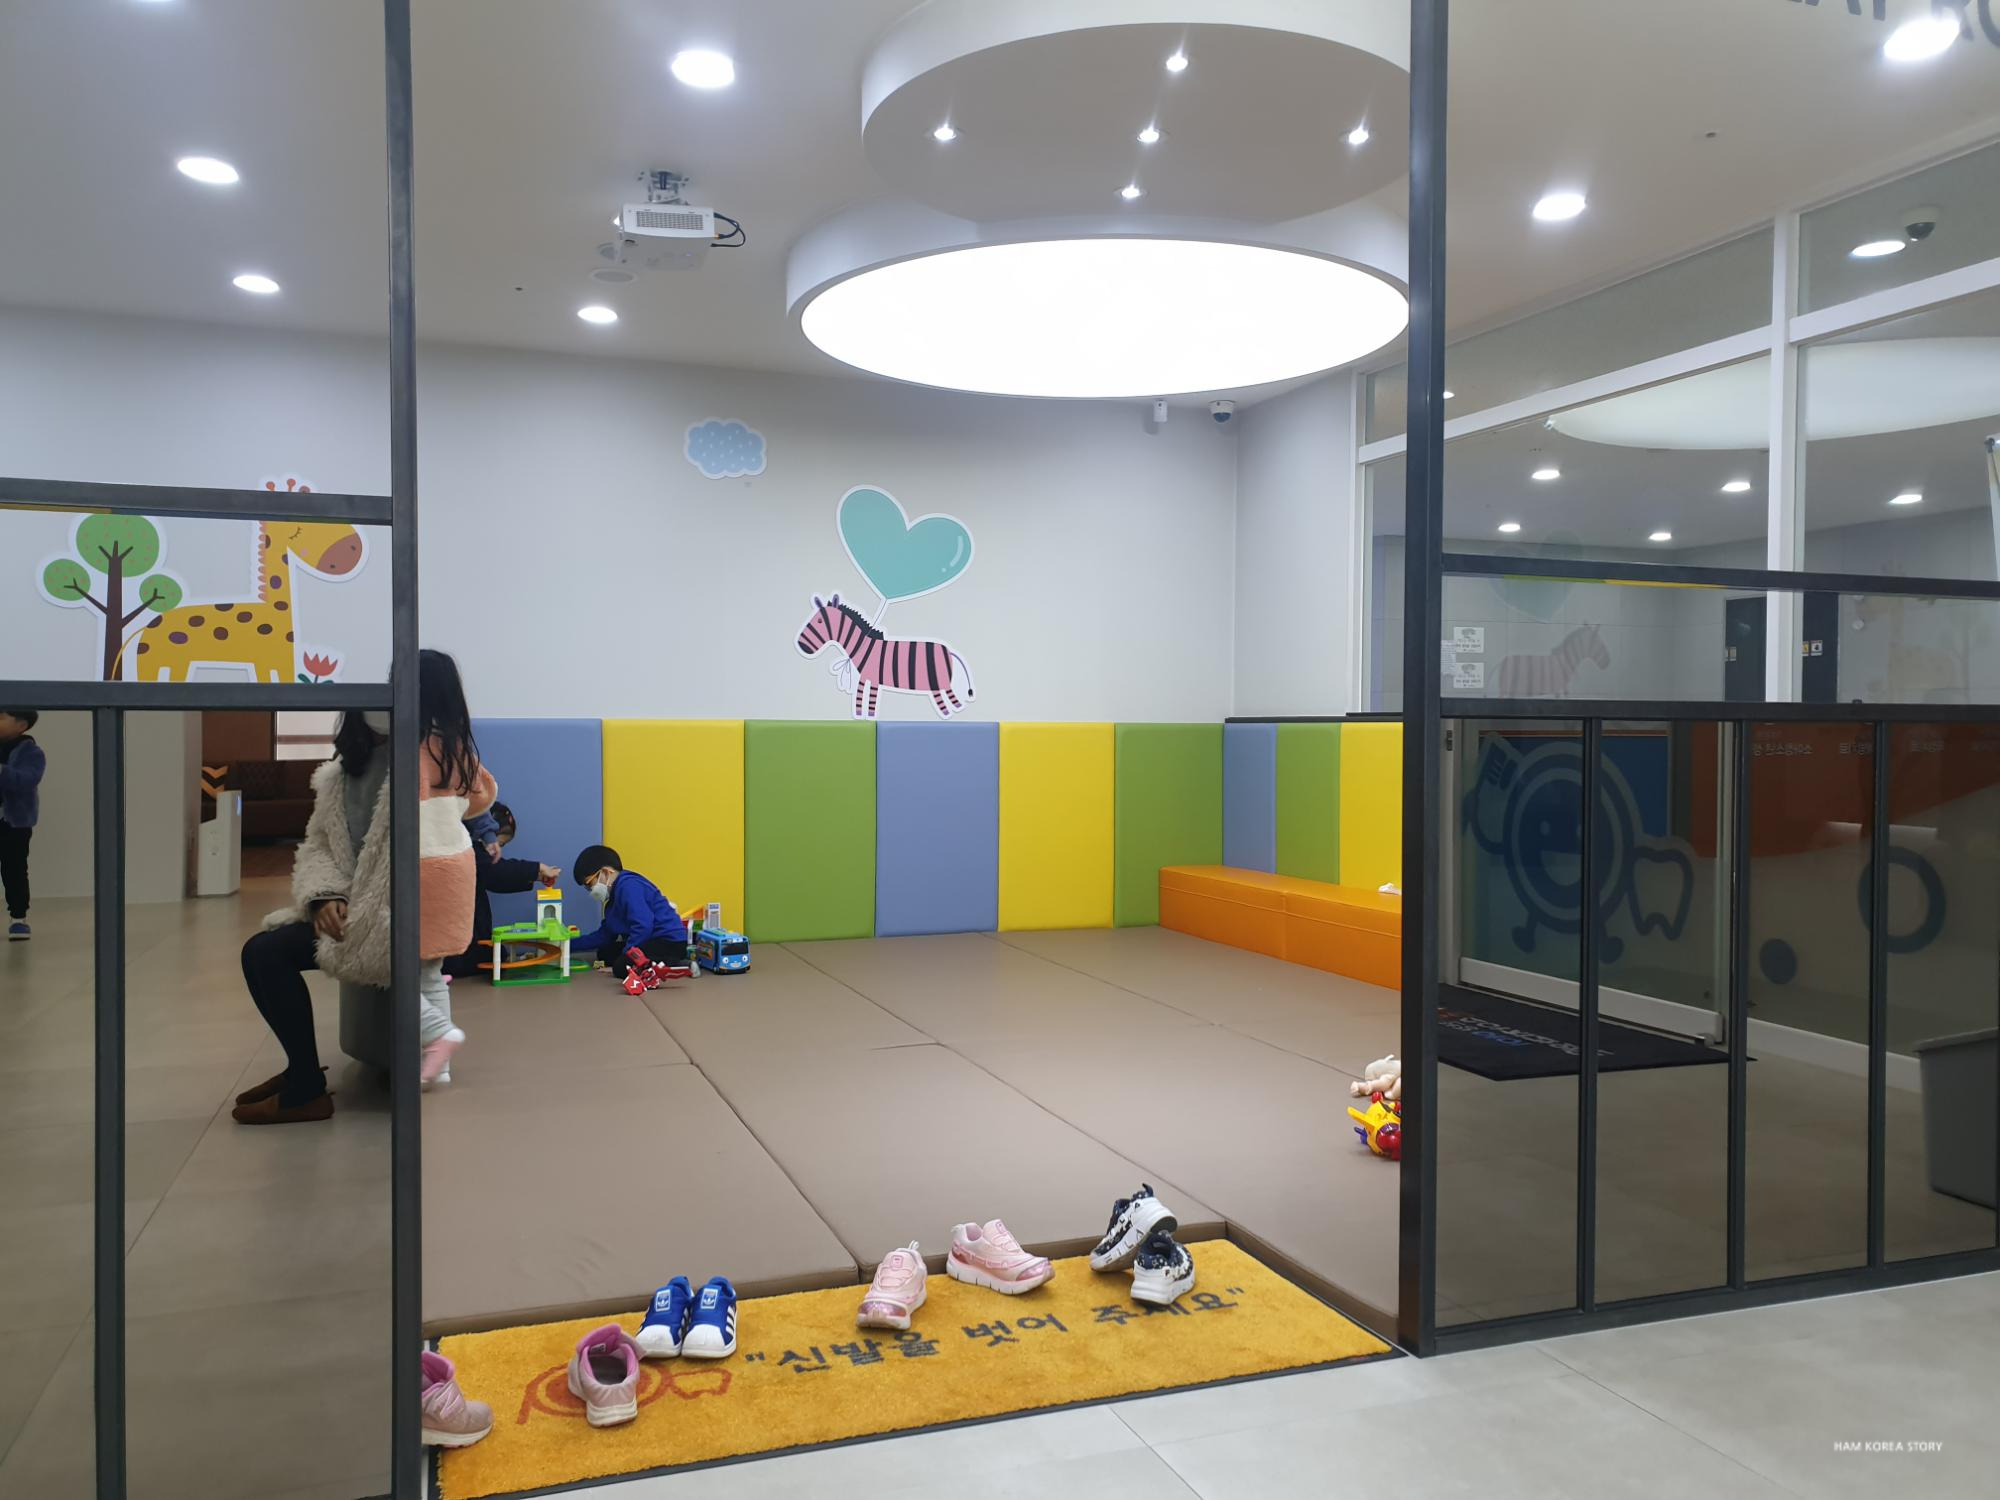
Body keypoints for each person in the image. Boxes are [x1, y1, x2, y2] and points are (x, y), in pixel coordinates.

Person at [234, 650, 495, 1124]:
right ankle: (429, 1066)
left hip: (394, 904)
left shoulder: (415, 757)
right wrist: (323, 894)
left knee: (397, 967)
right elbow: (323, 842)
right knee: (421, 972)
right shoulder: (429, 754)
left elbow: (409, 835)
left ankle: (313, 1082)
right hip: (409, 895)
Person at [442, 802, 562, 979]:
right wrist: (537, 869)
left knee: (493, 953)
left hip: (465, 933)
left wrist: (536, 875)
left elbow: (495, 877)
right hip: (453, 941)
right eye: (497, 843)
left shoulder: (470, 850)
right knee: (490, 956)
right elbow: (494, 872)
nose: (496, 851)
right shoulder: (463, 849)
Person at [569, 844, 688, 979]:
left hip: (668, 942)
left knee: (621, 967)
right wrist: (568, 945)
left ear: (606, 873)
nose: (591, 890)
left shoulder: (629, 886)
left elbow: (643, 927)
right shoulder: (612, 901)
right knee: (605, 953)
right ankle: (655, 962)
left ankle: (675, 963)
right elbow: (604, 936)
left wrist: (625, 957)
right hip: (648, 939)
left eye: (589, 883)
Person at [0, 709, 46, 942]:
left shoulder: (31, 752)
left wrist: (2, 771)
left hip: (14, 823)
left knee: (14, 869)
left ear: (21, 725)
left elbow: (27, 780)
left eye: (1, 718)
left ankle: (18, 918)